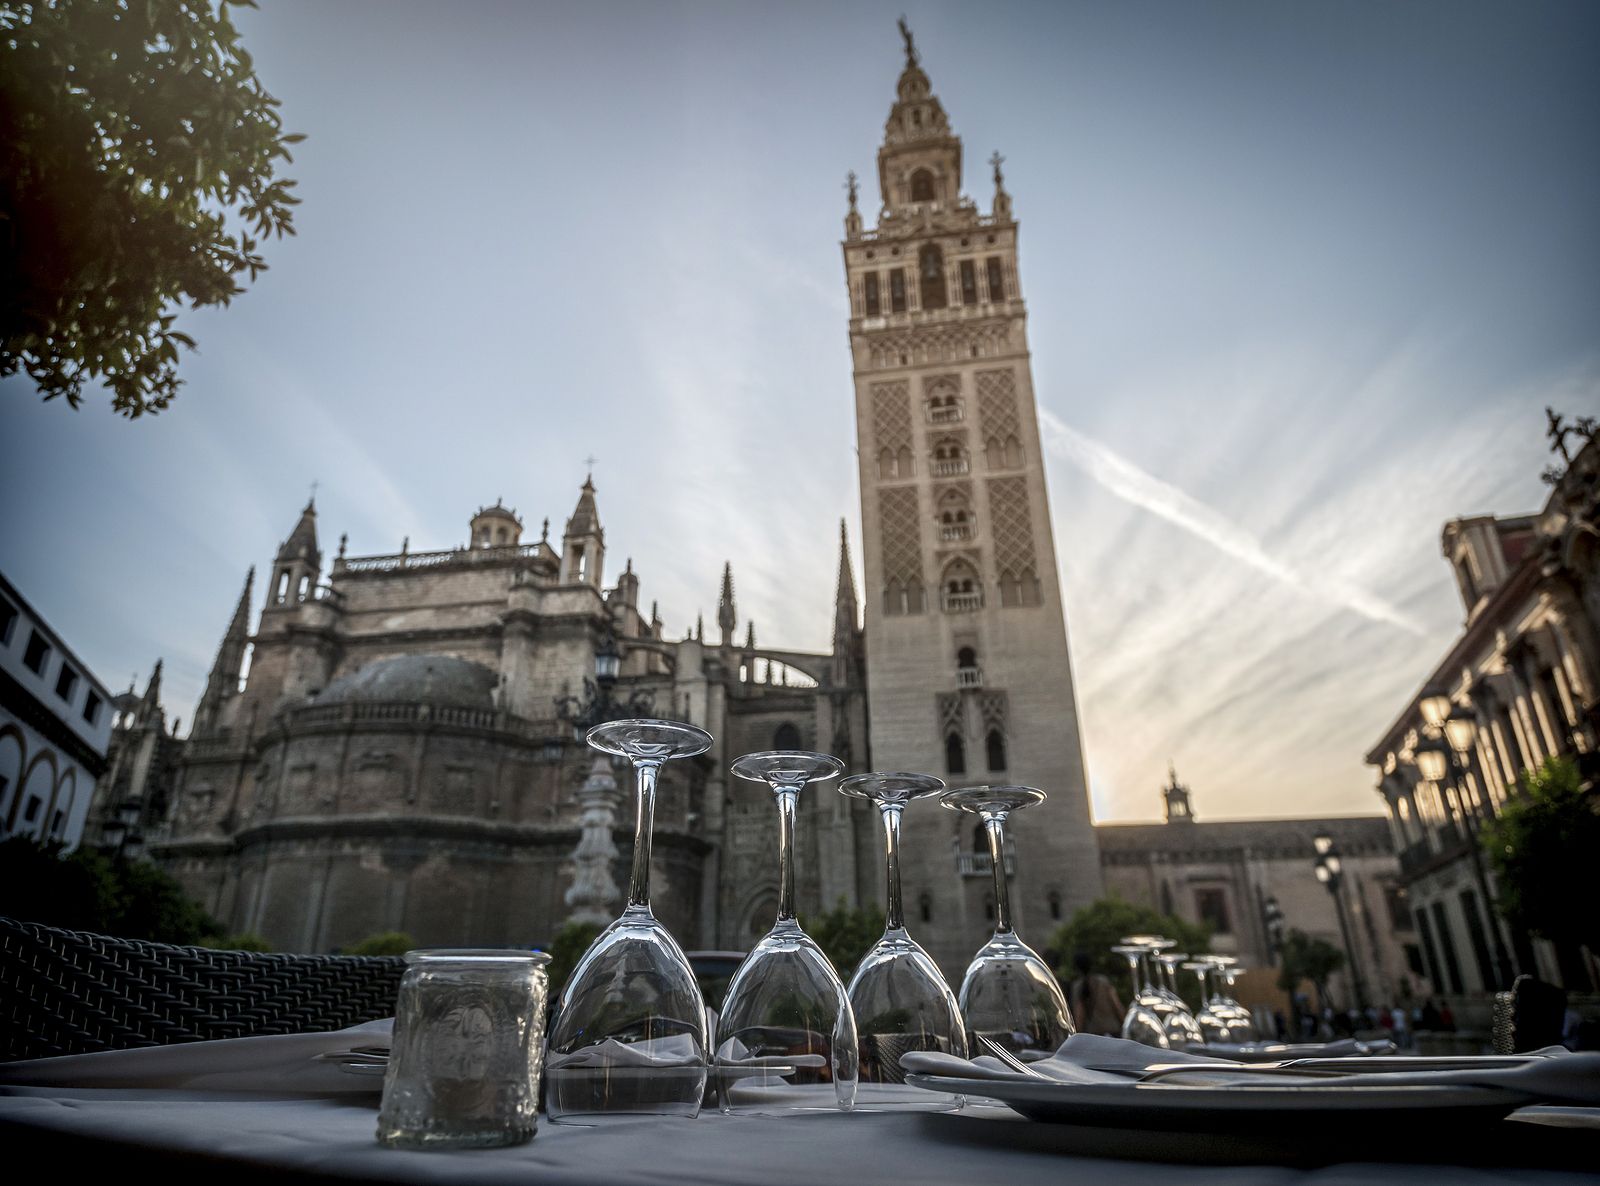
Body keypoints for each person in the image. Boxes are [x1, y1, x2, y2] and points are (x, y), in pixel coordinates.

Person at [1067, 951, 1125, 1037]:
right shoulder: (1103, 981)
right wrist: (1125, 1024)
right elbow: (1117, 1005)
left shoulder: (1077, 986)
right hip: (1112, 1031)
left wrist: (1078, 1035)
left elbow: (1079, 1014)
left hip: (1093, 1035)